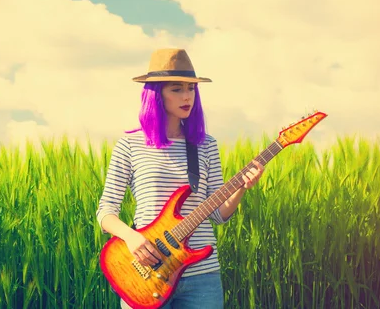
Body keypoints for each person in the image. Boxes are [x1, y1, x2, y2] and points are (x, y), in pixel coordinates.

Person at [96, 48, 264, 308]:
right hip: (146, 272)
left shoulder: (205, 145)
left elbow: (218, 214)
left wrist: (242, 187)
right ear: (156, 93)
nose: (187, 96)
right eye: (177, 89)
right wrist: (131, 237)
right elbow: (106, 211)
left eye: (191, 89)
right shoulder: (130, 144)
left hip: (202, 275)